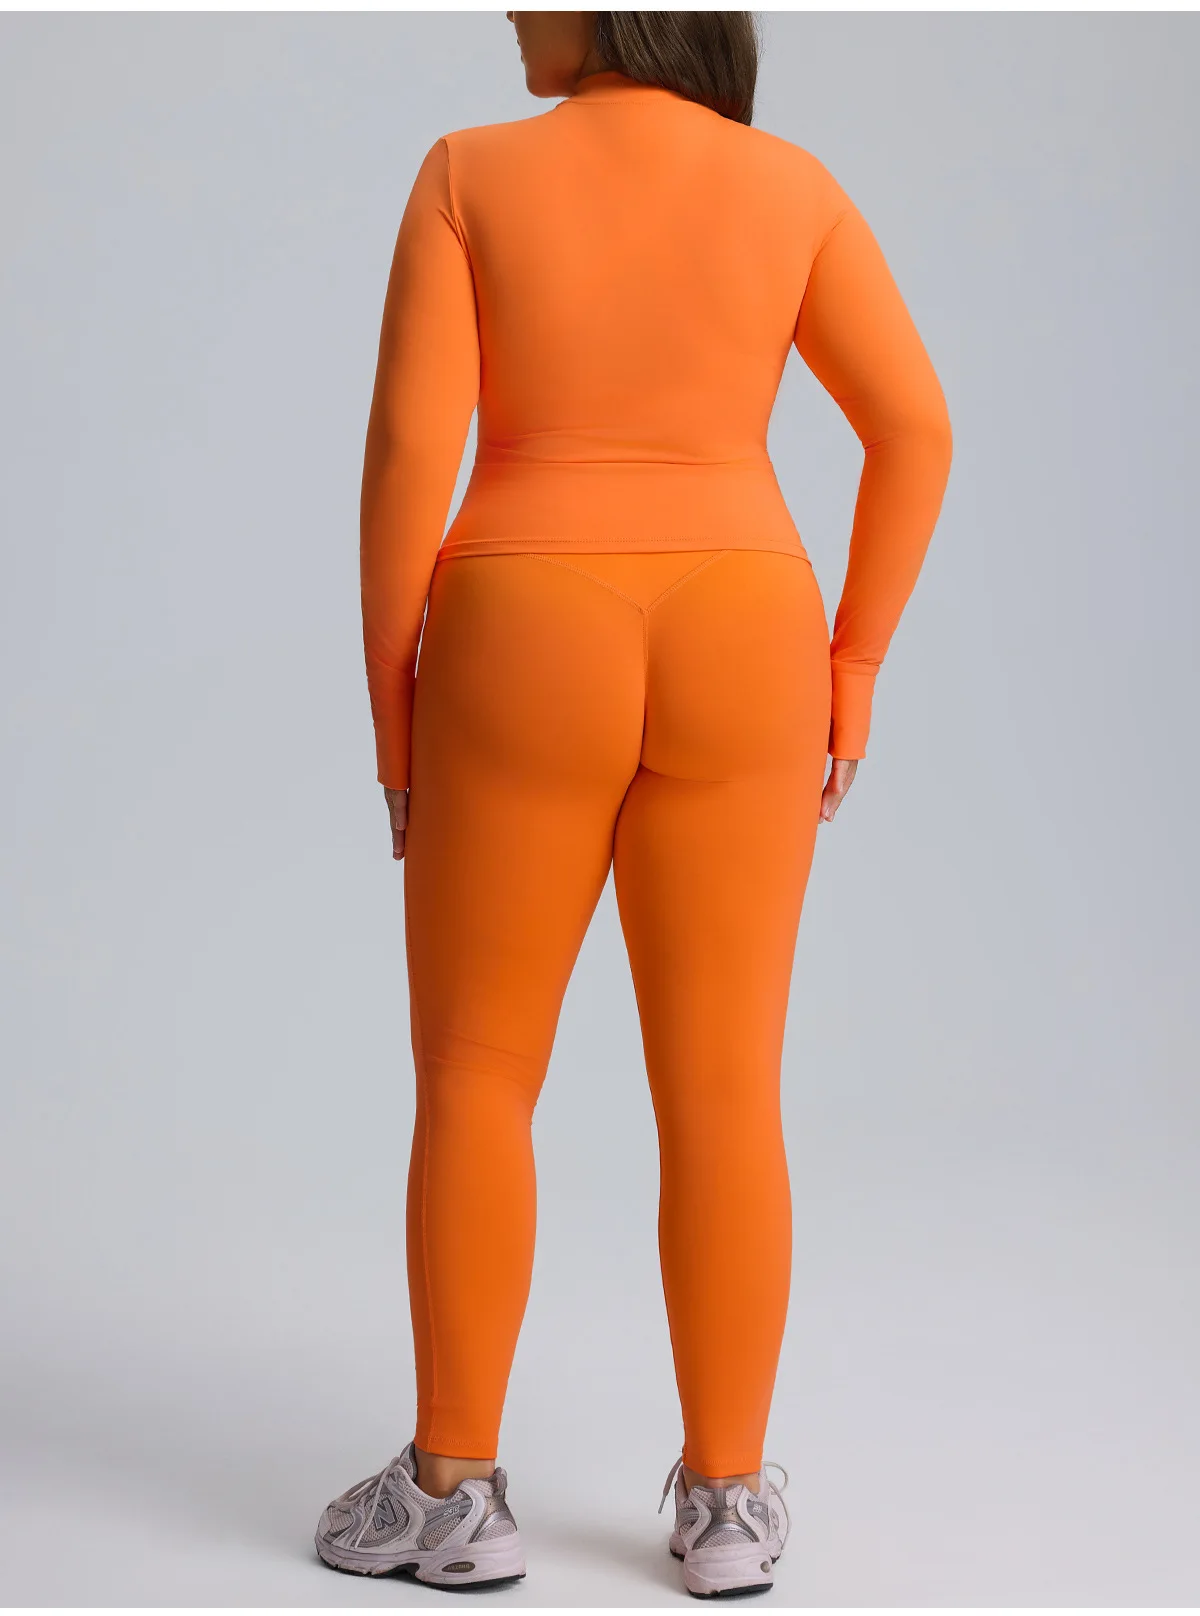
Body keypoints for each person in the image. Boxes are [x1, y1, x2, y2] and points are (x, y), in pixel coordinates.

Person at [314, 9, 953, 1599]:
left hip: (523, 622)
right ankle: (727, 1506)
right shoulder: (793, 187)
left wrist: (394, 718)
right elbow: (915, 428)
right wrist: (853, 665)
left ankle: (452, 1494)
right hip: (748, 627)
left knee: (477, 1071)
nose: (506, 9)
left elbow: (407, 450)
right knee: (727, 1083)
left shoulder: (469, 174)